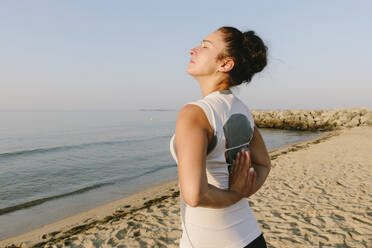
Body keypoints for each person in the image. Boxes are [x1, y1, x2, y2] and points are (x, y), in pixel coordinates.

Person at [169, 26, 272, 248]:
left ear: (225, 64)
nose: (192, 50)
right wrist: (245, 191)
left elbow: (194, 195)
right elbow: (263, 164)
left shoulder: (194, 113)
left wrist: (236, 193)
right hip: (250, 236)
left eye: (205, 46)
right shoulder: (242, 109)